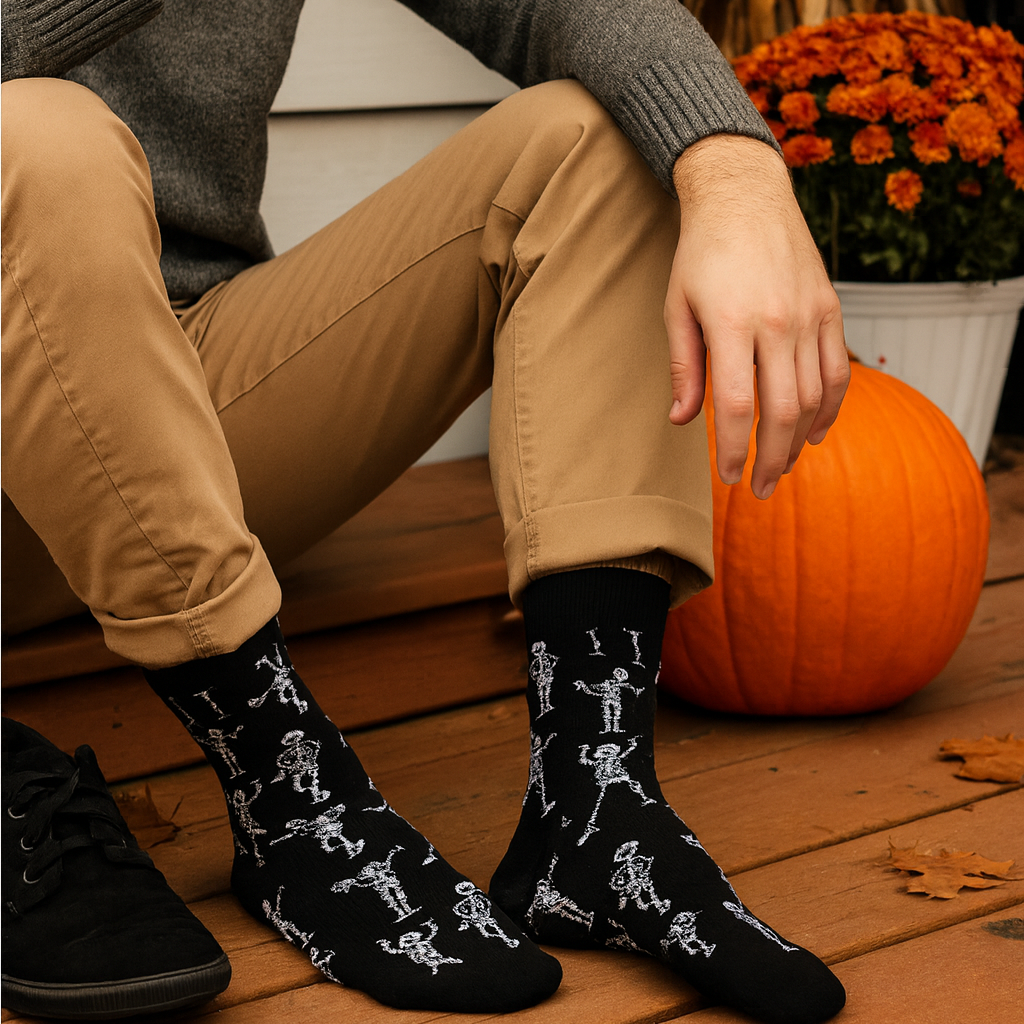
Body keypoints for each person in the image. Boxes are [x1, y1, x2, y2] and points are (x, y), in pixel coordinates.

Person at [1, 0, 850, 1021]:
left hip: (178, 388)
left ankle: (594, 814)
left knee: (599, 139)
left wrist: (736, 174)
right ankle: (291, 796)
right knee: (35, 133)